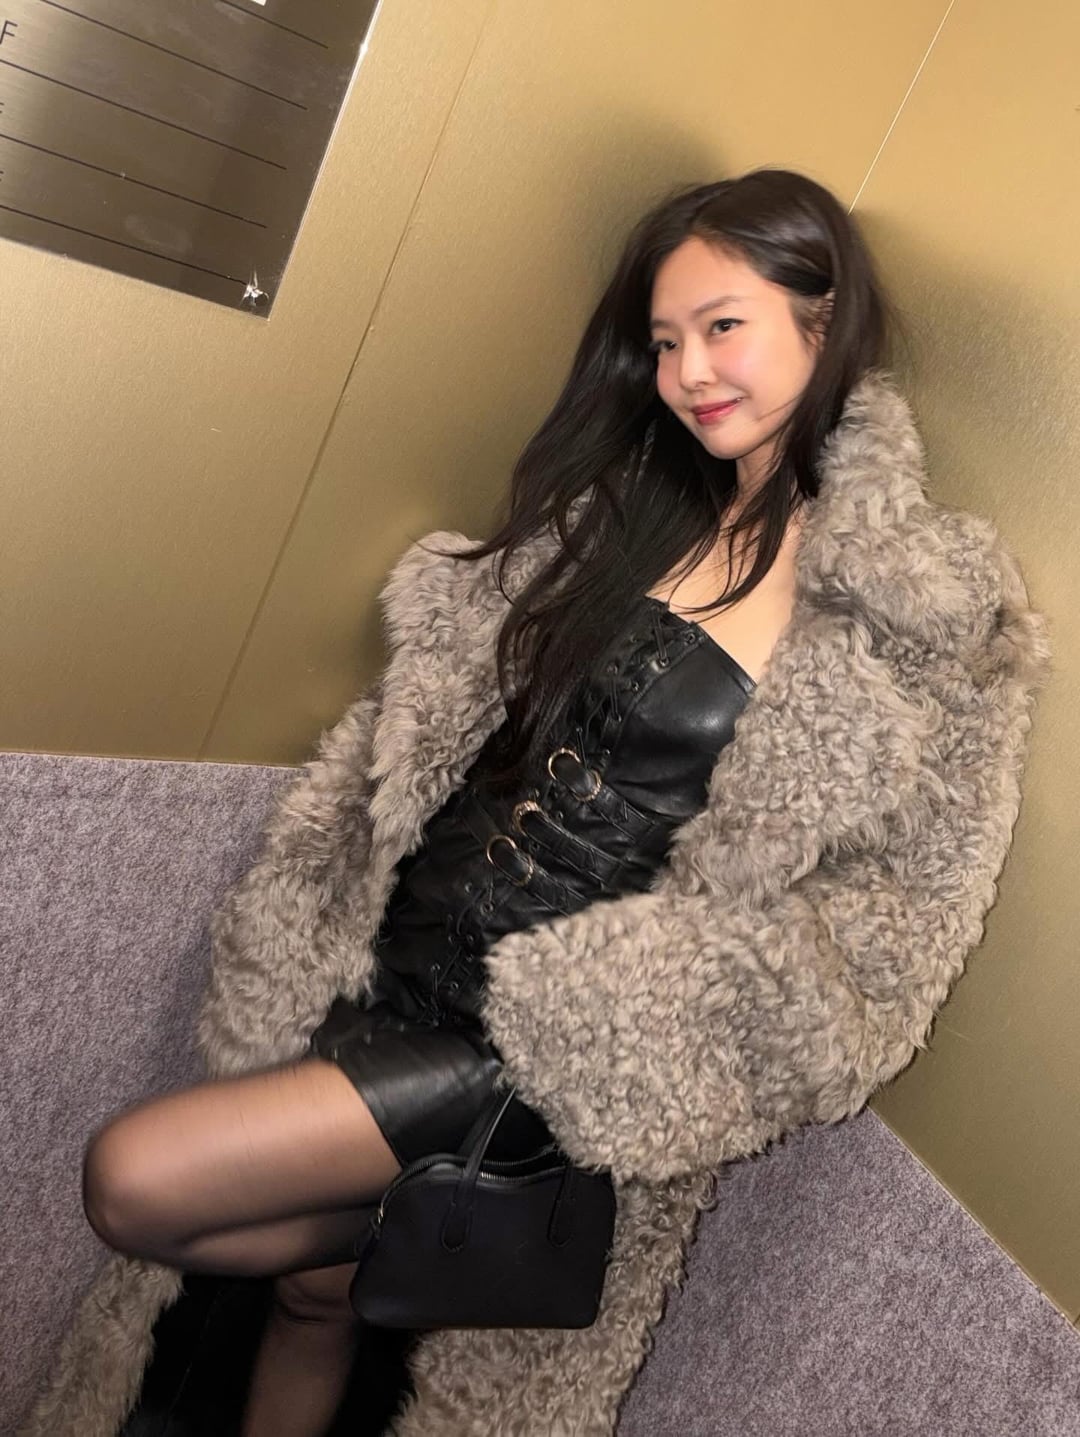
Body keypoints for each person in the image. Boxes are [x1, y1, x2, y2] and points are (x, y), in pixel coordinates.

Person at [74, 168, 1041, 1437]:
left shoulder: (917, 606)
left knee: (134, 1181)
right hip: (405, 963)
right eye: (666, 341)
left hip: (533, 1047)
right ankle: (441, 1230)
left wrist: (638, 1015)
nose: (689, 370)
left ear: (826, 318)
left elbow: (901, 924)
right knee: (314, 1298)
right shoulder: (636, 508)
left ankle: (514, 1184)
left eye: (724, 326)